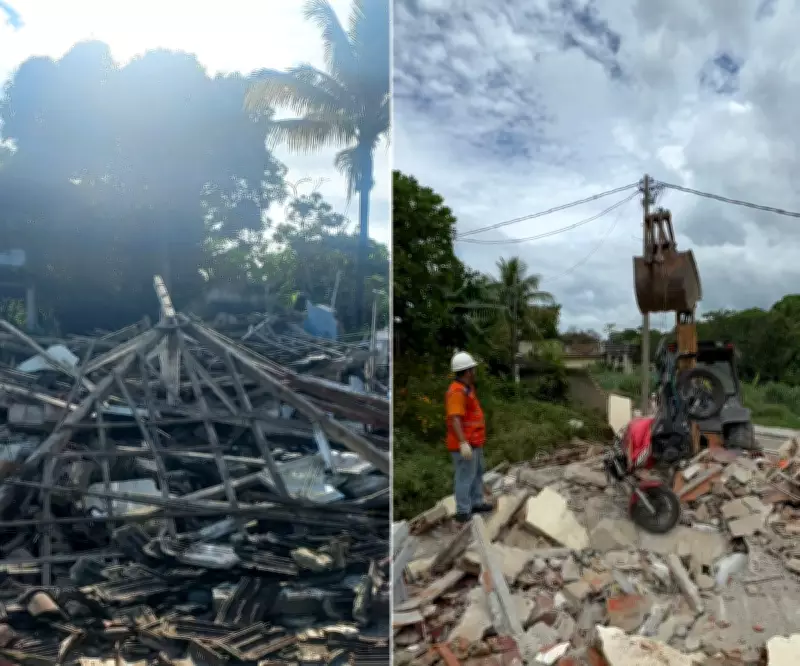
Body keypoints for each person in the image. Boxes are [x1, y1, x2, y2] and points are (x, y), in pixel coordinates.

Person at [445, 351, 494, 523]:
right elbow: (455, 418)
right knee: (464, 477)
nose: (474, 372)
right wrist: (463, 443)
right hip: (465, 445)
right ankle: (463, 511)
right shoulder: (457, 392)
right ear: (467, 372)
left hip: (475, 442)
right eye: (472, 369)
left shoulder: (466, 389)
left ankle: (476, 502)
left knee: (477, 473)